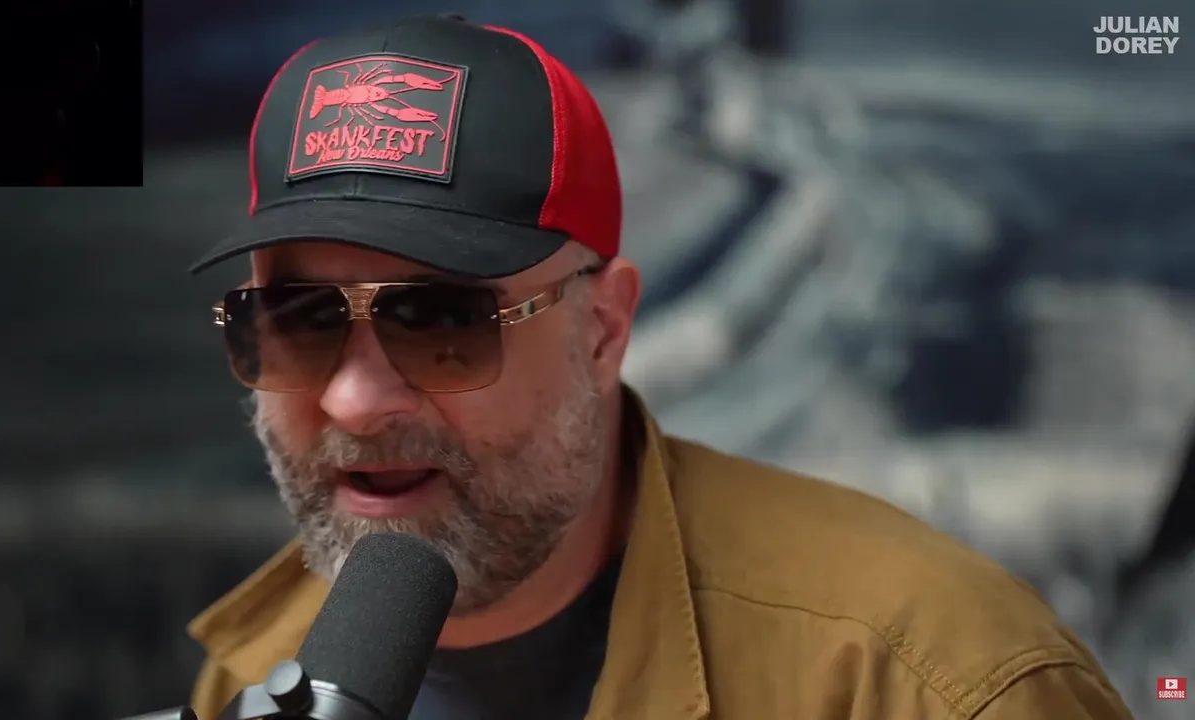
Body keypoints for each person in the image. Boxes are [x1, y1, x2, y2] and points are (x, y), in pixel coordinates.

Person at [184, 15, 1133, 720]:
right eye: (300, 321)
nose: (355, 398)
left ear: (602, 329)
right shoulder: (258, 668)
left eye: (439, 321)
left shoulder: (932, 684)